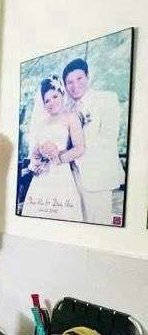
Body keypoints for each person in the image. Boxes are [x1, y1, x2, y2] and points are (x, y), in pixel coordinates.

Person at [62, 57, 124, 225]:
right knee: (77, 223)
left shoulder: (107, 99)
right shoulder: (66, 110)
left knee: (98, 225)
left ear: (88, 77)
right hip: (71, 176)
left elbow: (108, 138)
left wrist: (72, 154)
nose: (75, 85)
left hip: (97, 174)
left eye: (79, 78)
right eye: (69, 82)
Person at [22, 76, 85, 221]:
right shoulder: (41, 123)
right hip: (42, 175)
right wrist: (38, 158)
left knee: (62, 213)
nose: (52, 102)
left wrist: (59, 157)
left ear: (62, 94)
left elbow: (80, 148)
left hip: (61, 172)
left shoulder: (71, 117)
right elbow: (35, 151)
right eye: (47, 100)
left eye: (55, 97)